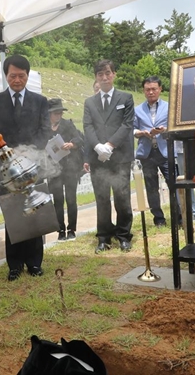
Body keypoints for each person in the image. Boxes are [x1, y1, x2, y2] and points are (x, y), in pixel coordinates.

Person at [0, 54, 50, 281]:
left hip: (33, 166)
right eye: (12, 76)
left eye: (21, 76)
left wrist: (29, 151)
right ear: (6, 76)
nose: (17, 80)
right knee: (13, 214)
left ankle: (34, 262)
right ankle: (14, 264)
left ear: (27, 76)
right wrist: (8, 153)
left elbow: (46, 131)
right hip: (8, 169)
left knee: (34, 212)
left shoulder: (40, 101)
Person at [83, 59, 135, 254]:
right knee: (102, 198)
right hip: (98, 158)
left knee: (122, 197)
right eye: (100, 74)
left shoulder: (126, 98)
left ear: (114, 74)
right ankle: (104, 237)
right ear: (96, 77)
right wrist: (97, 147)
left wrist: (110, 145)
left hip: (120, 156)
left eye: (107, 73)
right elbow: (87, 126)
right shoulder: (89, 102)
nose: (104, 78)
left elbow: (127, 125)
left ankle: (123, 236)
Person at [133, 76, 170, 227]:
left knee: (173, 184)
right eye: (148, 89)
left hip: (166, 151)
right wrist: (141, 133)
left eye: (154, 89)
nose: (151, 92)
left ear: (160, 89)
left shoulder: (169, 107)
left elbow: (175, 126)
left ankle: (179, 215)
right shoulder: (137, 110)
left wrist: (164, 130)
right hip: (147, 153)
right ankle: (158, 218)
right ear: (143, 91)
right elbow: (132, 130)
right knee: (151, 187)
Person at [46, 98, 84, 241]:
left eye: (60, 113)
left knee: (71, 199)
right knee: (57, 200)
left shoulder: (68, 124)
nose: (59, 115)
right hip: (53, 169)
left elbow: (79, 139)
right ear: (49, 114)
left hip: (70, 167)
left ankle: (72, 229)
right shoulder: (44, 128)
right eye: (56, 113)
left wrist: (71, 144)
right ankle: (60, 230)